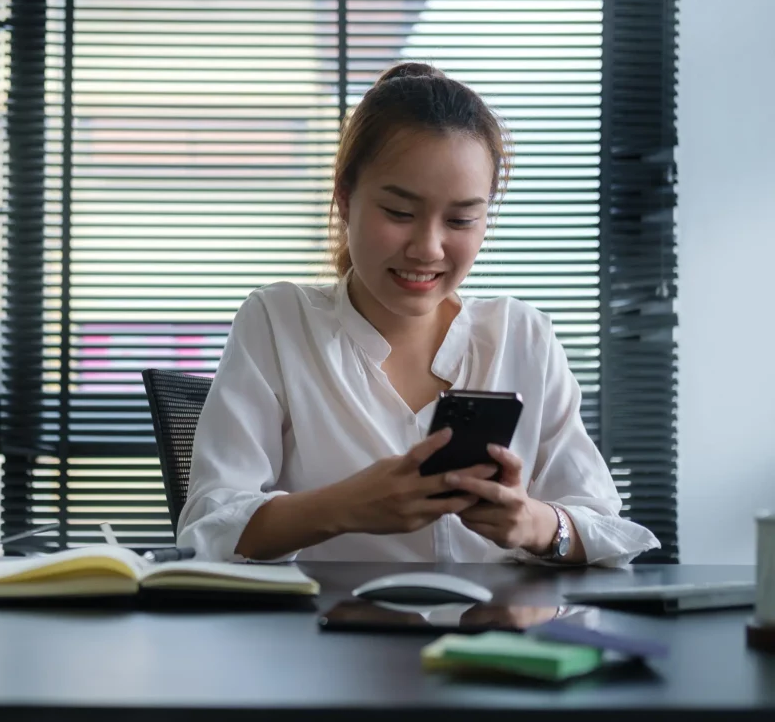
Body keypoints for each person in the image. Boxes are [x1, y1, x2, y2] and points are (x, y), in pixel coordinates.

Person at [175, 62, 660, 567]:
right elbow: (208, 527)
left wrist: (534, 524)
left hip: (491, 637)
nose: (428, 249)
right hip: (326, 636)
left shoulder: (522, 336)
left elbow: (605, 526)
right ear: (345, 198)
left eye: (460, 220)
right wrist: (346, 506)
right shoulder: (278, 322)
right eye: (400, 213)